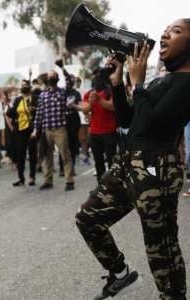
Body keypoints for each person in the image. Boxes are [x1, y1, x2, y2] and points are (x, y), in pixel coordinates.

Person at [76, 19, 190, 300]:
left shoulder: (187, 83)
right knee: (88, 219)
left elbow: (151, 125)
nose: (165, 34)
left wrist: (138, 83)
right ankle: (119, 273)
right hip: (128, 164)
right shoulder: (162, 79)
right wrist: (118, 83)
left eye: (176, 31)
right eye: (166, 29)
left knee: (161, 247)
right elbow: (129, 119)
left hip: (156, 171)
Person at [32, 71, 75, 191]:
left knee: (65, 155)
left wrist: (62, 68)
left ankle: (69, 180)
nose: (51, 77)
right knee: (47, 156)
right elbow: (39, 114)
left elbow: (70, 82)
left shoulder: (62, 92)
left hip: (60, 128)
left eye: (53, 76)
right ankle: (48, 180)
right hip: (47, 130)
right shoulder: (42, 95)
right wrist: (36, 130)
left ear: (57, 78)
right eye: (50, 76)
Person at [75, 69, 118, 182]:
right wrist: (90, 102)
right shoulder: (89, 94)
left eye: (99, 75)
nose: (96, 78)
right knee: (98, 162)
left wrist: (99, 99)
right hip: (94, 133)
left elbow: (113, 106)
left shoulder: (110, 91)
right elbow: (85, 110)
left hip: (109, 131)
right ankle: (101, 185)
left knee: (112, 161)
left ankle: (113, 186)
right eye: (95, 75)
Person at [8, 80, 37, 186]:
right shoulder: (17, 100)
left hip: (32, 129)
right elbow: (11, 114)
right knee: (20, 153)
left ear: (30, 87)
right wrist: (9, 104)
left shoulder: (35, 98)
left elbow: (40, 111)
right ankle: (21, 178)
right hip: (20, 129)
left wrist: (34, 109)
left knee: (32, 153)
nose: (24, 87)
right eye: (22, 86)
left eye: (26, 86)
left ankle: (32, 177)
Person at [60, 74, 81, 177]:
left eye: (71, 80)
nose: (69, 82)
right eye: (67, 80)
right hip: (63, 119)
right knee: (62, 144)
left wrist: (74, 105)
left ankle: (71, 168)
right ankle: (62, 168)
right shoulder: (61, 92)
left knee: (72, 145)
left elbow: (80, 106)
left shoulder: (76, 93)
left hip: (73, 119)